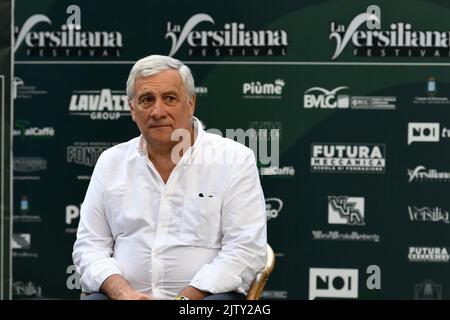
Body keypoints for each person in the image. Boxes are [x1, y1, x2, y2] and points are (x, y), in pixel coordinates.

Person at [72, 54, 267, 300]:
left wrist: (186, 298)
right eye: (146, 100)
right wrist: (121, 293)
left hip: (205, 298)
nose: (157, 111)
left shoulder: (235, 160)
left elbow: (246, 249)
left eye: (170, 98)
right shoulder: (111, 162)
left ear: (191, 103)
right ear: (132, 109)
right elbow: (89, 246)